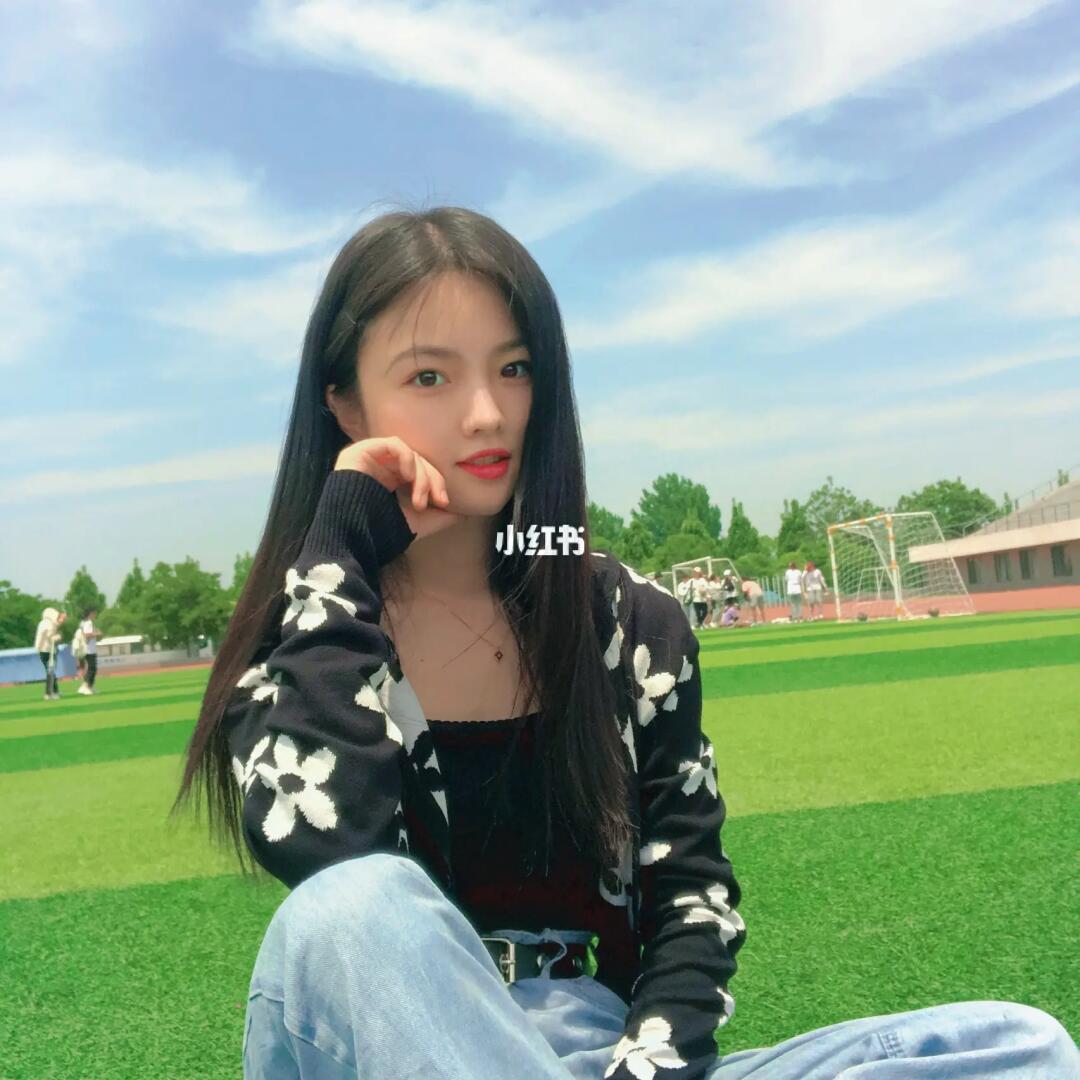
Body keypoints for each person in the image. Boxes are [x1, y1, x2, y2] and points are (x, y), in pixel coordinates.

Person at [171, 208, 1078, 1080]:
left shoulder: (629, 622)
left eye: (514, 368)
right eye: (430, 378)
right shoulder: (305, 637)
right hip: (384, 1050)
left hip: (600, 1050)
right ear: (344, 403)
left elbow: (691, 899)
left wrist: (646, 1068)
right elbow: (325, 848)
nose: (487, 413)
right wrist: (340, 548)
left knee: (1020, 1049)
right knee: (351, 908)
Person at [34, 607, 66, 700]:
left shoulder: (42, 623)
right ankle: (49, 693)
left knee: (51, 671)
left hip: (43, 650)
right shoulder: (50, 624)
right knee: (50, 672)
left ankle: (55, 691)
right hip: (48, 650)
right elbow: (51, 637)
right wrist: (59, 636)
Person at [76, 606, 103, 695]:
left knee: (92, 668)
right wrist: (97, 633)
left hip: (88, 649)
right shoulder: (88, 623)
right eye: (94, 613)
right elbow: (87, 635)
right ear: (90, 614)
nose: (95, 615)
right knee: (92, 668)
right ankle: (86, 686)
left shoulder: (83, 623)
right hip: (89, 649)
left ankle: (89, 686)